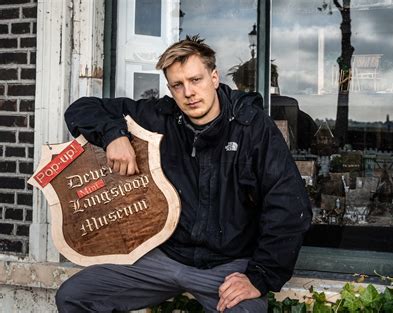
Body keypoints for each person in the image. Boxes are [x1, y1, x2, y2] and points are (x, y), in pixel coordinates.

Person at [56, 35, 311, 313]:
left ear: (214, 78)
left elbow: (288, 205)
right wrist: (113, 135)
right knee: (74, 296)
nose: (188, 92)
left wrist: (259, 276)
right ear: (170, 88)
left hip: (226, 264)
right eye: (178, 85)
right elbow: (82, 108)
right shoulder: (160, 116)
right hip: (165, 256)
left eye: (196, 80)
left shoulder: (251, 126)